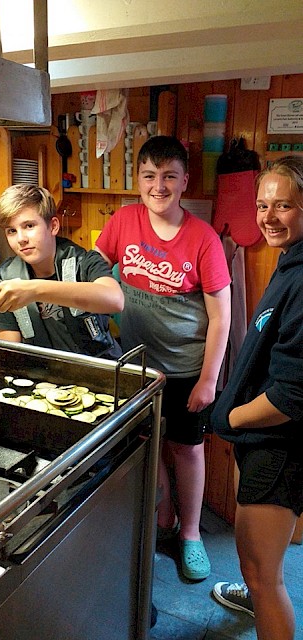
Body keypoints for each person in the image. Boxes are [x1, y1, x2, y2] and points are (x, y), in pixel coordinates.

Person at [96, 135, 231, 580]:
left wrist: (208, 380)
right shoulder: (122, 221)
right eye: (150, 176)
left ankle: (190, 534)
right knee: (147, 444)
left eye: (169, 176)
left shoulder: (204, 239)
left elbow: (221, 317)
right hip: (134, 364)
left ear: (185, 181)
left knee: (187, 449)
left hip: (185, 370)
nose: (159, 186)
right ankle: (165, 510)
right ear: (138, 179)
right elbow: (94, 272)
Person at [211, 155, 303, 640]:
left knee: (264, 577)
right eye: (262, 204)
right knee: (261, 566)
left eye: (283, 205)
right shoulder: (291, 261)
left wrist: (232, 417)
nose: (268, 217)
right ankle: (255, 593)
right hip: (265, 443)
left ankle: (260, 596)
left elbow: (292, 396)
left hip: (280, 448)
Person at [0, 184, 124, 359]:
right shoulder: (6, 276)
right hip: (43, 377)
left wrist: (33, 290)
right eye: (12, 231)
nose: (21, 239)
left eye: (29, 226)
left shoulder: (85, 262)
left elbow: (115, 300)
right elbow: (10, 351)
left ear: (53, 226)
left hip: (98, 371)